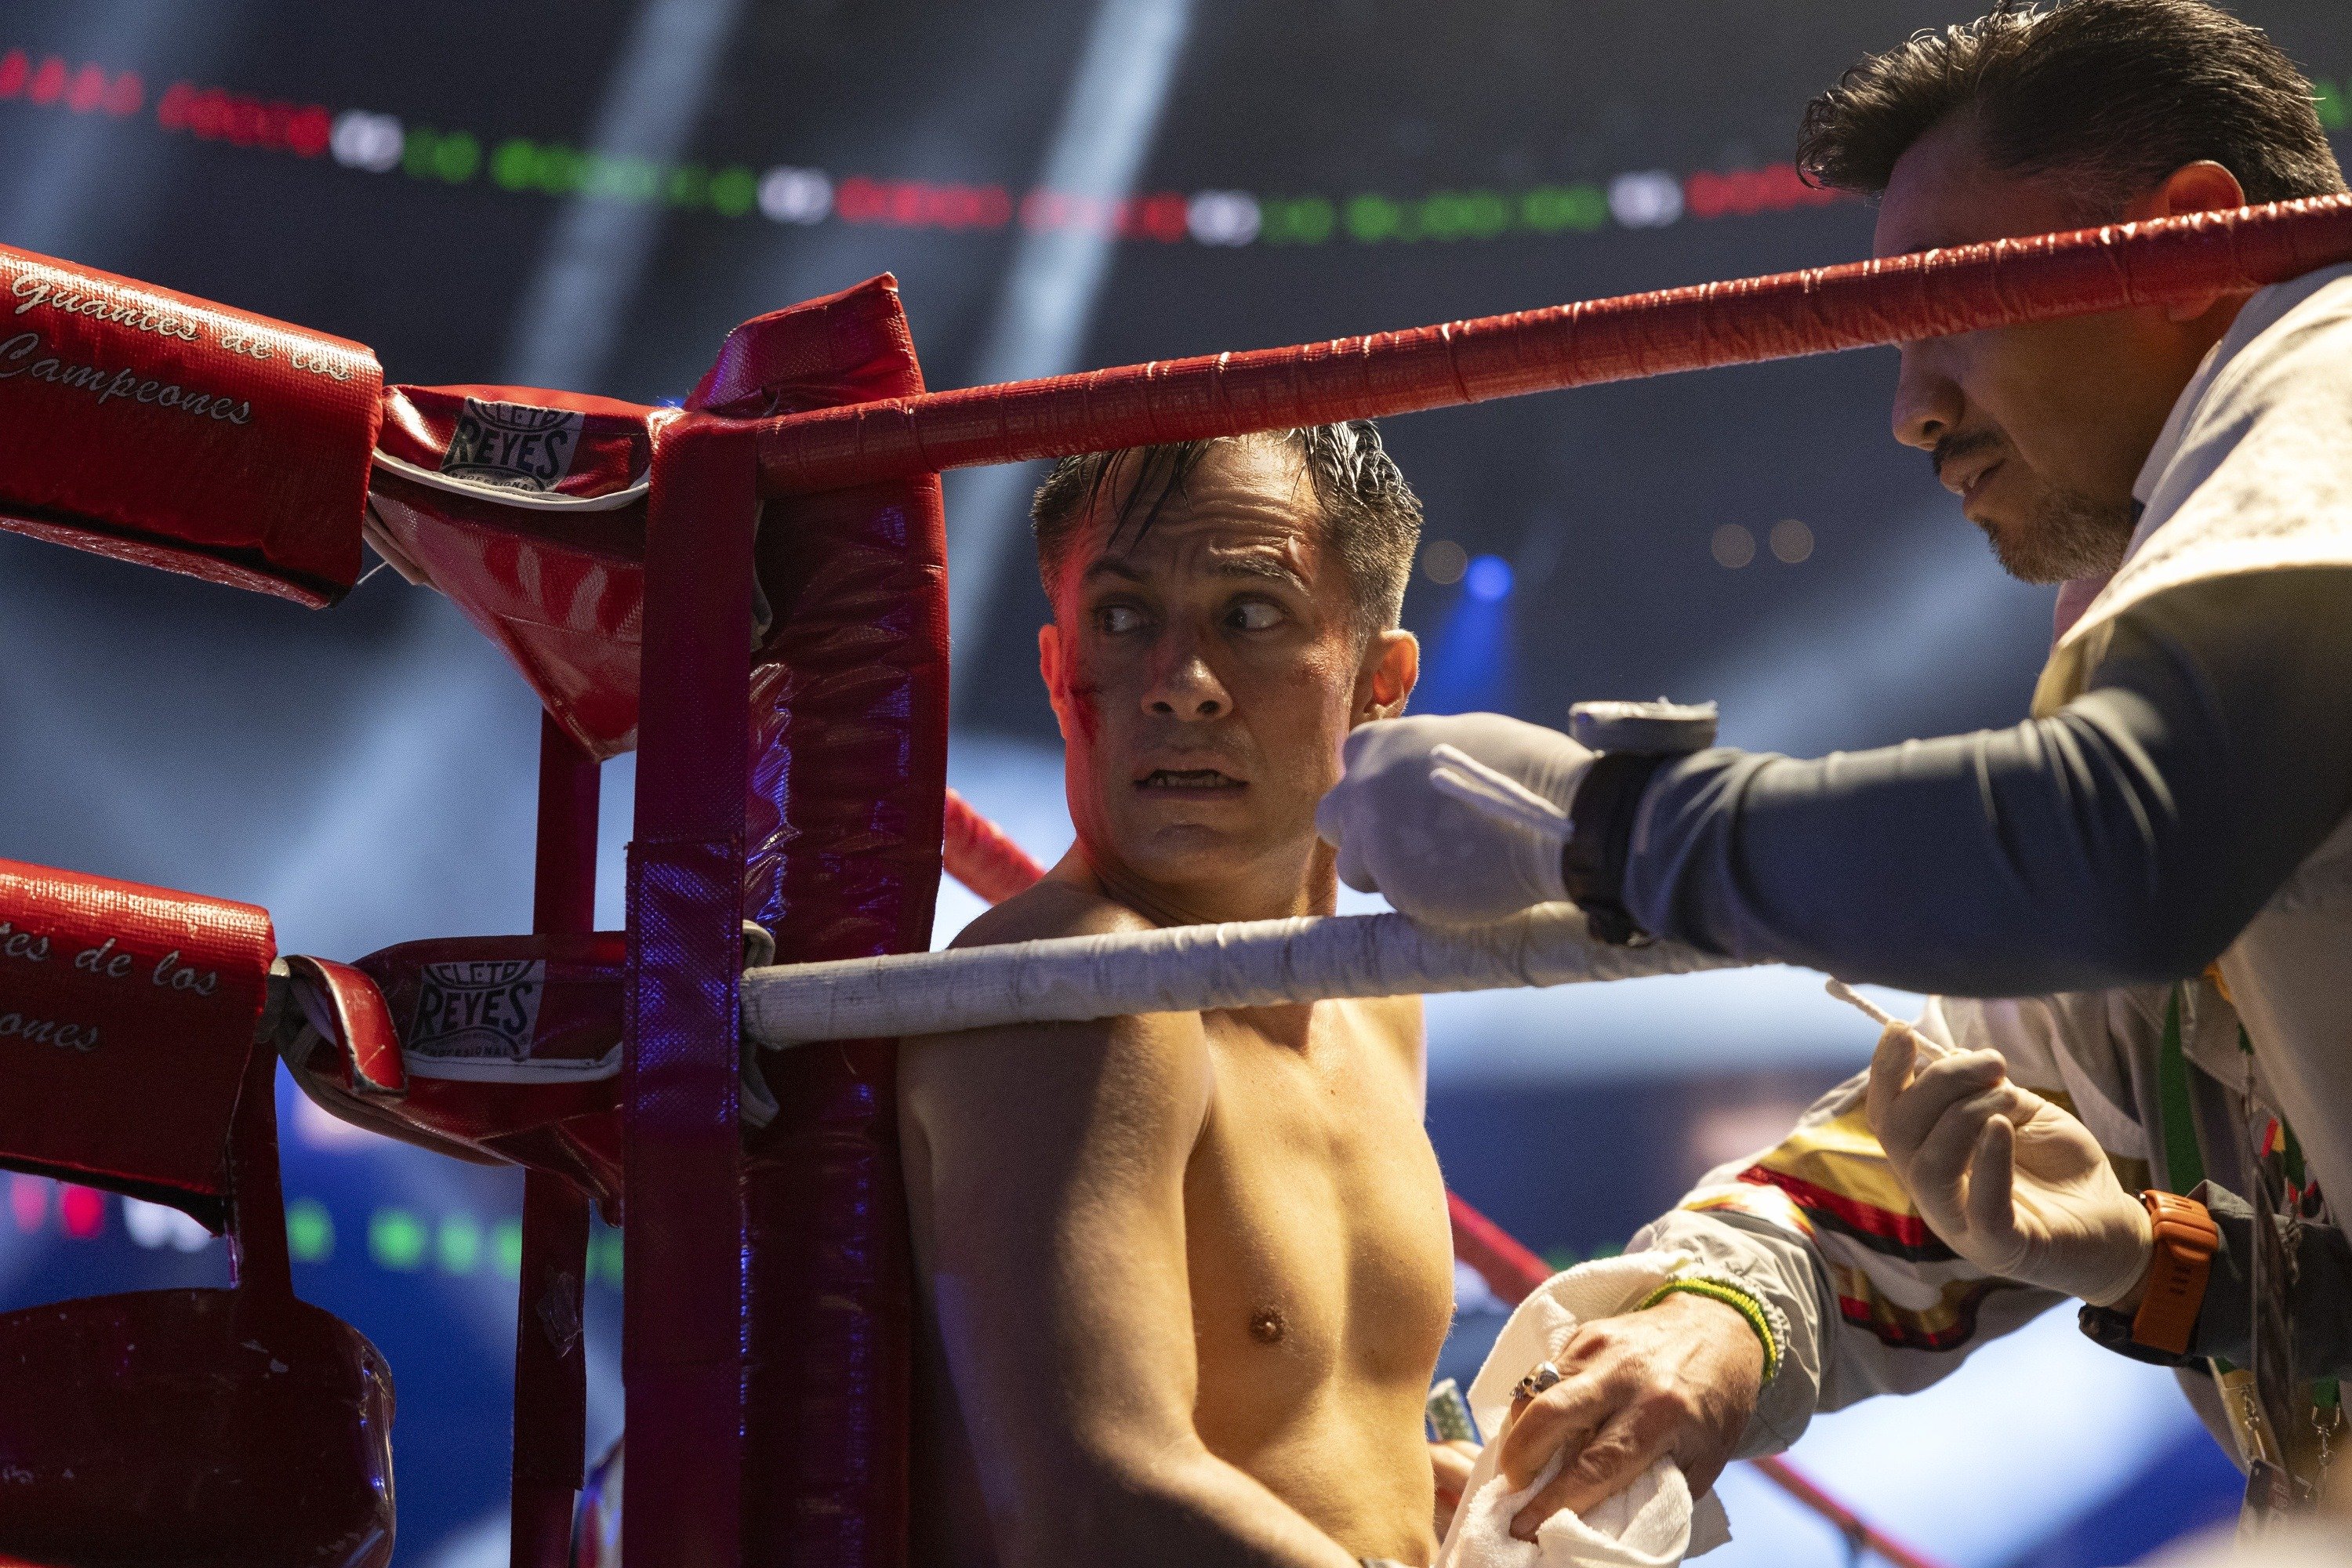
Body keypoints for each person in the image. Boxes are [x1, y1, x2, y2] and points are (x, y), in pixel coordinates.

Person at [1318, 0, 2352, 1527]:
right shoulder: (2198, 611)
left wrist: (1608, 833)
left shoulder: (2328, 387)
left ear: (2192, 248)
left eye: (1954, 304)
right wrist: (1706, 1321)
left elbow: (2117, 845)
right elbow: (1982, 1107)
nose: (1912, 409)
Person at [898, 423, 1460, 1567]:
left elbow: (1311, 1437)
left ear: (1380, 683)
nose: (1181, 685)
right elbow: (1098, 1506)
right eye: (1121, 618)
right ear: (1061, 675)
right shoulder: (1081, 988)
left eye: (1250, 615)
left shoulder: (1376, 996)